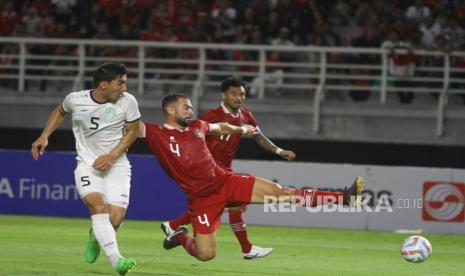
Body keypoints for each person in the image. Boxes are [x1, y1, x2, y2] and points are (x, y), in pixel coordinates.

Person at [140, 93, 364, 262]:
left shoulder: (198, 126)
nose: (191, 111)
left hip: (226, 182)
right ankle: (179, 236)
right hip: (202, 199)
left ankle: (343, 197)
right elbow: (130, 123)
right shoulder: (155, 133)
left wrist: (242, 130)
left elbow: (220, 128)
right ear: (170, 110)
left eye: (190, 107)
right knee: (205, 254)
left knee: (282, 193)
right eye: (186, 107)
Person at [160, 76, 296, 259]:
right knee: (233, 207)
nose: (238, 98)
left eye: (242, 94)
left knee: (234, 206)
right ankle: (245, 248)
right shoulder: (211, 117)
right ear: (223, 95)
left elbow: (258, 135)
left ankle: (174, 226)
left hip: (226, 170)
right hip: (210, 173)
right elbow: (191, 138)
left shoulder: (245, 115)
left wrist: (279, 151)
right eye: (234, 94)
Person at [31, 62, 140, 275]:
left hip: (117, 165)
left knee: (115, 219)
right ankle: (118, 261)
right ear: (103, 85)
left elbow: (134, 130)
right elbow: (60, 111)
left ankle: (95, 235)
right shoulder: (75, 99)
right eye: (121, 83)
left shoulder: (128, 102)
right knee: (98, 207)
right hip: (87, 166)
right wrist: (45, 135)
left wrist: (112, 155)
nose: (125, 88)